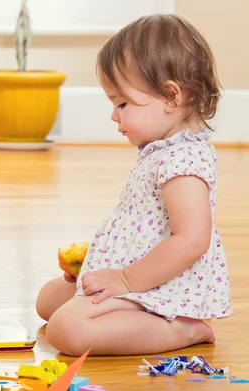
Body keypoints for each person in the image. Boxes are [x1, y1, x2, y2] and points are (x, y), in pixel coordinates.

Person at [35, 13, 232, 356]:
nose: (114, 115)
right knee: (47, 300)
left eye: (122, 103)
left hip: (159, 283)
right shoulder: (161, 149)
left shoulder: (183, 160)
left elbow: (192, 239)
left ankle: (179, 329)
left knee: (67, 329)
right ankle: (128, 313)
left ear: (171, 96)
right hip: (133, 272)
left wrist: (126, 280)